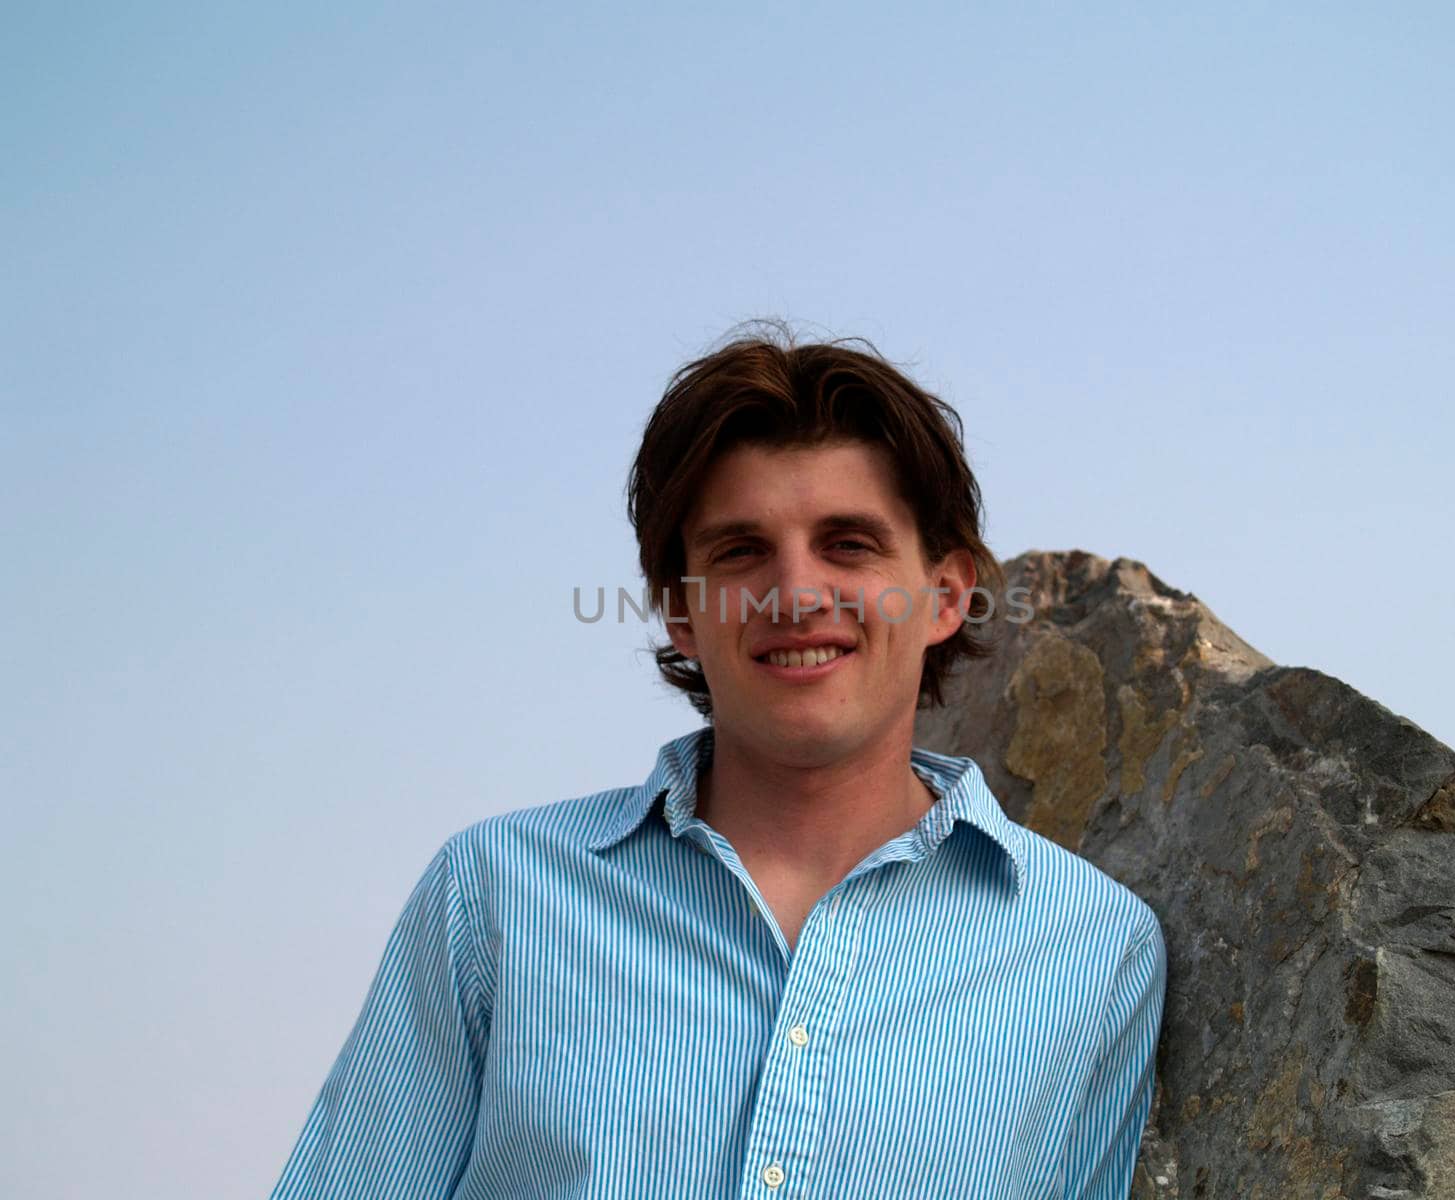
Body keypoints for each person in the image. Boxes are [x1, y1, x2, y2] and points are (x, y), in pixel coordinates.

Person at [268, 327, 1166, 1199]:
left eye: (848, 544)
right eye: (741, 552)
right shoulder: (495, 896)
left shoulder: (1094, 950)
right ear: (682, 614)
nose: (797, 593)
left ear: (944, 597)